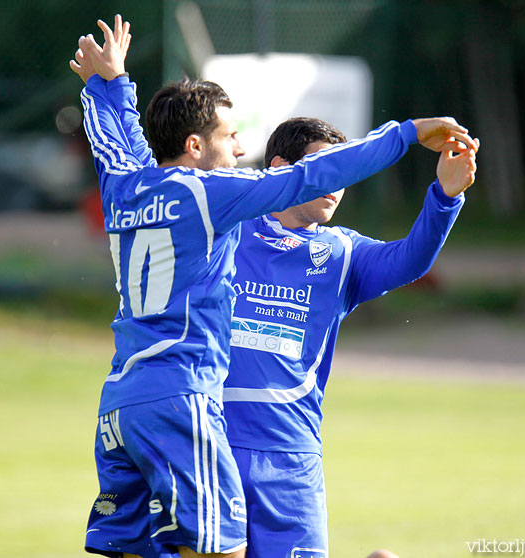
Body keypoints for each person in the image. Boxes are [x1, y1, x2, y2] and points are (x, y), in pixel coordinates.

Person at [70, 14, 478, 558]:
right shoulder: (222, 211)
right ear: (196, 146)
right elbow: (310, 176)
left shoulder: (129, 186)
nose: (239, 150)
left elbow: (117, 142)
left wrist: (109, 86)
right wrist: (406, 133)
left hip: (166, 414)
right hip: (191, 410)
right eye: (230, 137)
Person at [222, 118, 476, 558]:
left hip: (291, 461)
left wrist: (445, 196)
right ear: (283, 167)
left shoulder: (342, 254)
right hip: (211, 446)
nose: (337, 186)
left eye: (346, 175)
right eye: (329, 170)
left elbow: (410, 260)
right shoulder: (226, 232)